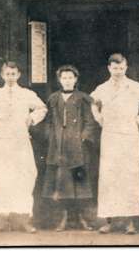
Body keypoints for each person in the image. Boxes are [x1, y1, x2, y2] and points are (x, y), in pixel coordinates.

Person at [90, 53, 139, 234]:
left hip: (130, 136)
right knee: (109, 178)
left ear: (126, 68)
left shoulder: (134, 87)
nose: (118, 72)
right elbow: (91, 102)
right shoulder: (102, 88)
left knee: (129, 177)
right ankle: (111, 220)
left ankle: (130, 221)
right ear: (109, 68)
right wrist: (98, 116)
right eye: (115, 68)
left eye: (121, 68)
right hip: (110, 136)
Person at [0, 62, 47, 233]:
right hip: (2, 139)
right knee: (2, 177)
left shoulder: (26, 94)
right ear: (2, 75)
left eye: (13, 74)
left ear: (18, 75)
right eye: (7, 74)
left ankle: (23, 219)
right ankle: (1, 220)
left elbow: (42, 108)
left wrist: (31, 118)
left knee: (23, 176)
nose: (10, 77)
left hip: (21, 139)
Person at [41, 65, 96, 231]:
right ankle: (63, 218)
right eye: (64, 78)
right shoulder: (53, 98)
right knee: (61, 183)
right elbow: (48, 122)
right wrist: (51, 136)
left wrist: (83, 137)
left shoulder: (83, 98)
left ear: (76, 79)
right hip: (58, 148)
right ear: (59, 80)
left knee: (79, 183)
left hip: (77, 148)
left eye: (70, 78)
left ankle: (81, 218)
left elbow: (89, 122)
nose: (67, 81)